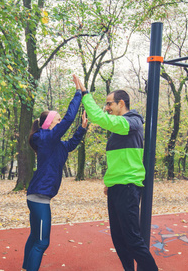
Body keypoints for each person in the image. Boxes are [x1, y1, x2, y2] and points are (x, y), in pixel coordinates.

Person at [75, 76, 158, 271]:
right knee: (119, 240)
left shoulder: (132, 123)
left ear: (121, 103)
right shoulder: (119, 129)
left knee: (132, 240)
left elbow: (99, 117)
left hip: (128, 187)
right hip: (116, 186)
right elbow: (119, 159)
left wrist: (85, 94)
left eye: (109, 103)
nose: (106, 107)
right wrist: (109, 182)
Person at [21, 75, 88, 271]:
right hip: (39, 197)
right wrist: (79, 93)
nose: (61, 121)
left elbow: (71, 145)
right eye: (57, 119)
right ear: (50, 123)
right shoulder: (46, 138)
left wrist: (81, 129)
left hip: (38, 196)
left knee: (35, 237)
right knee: (42, 242)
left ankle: (26, 267)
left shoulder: (54, 143)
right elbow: (68, 119)